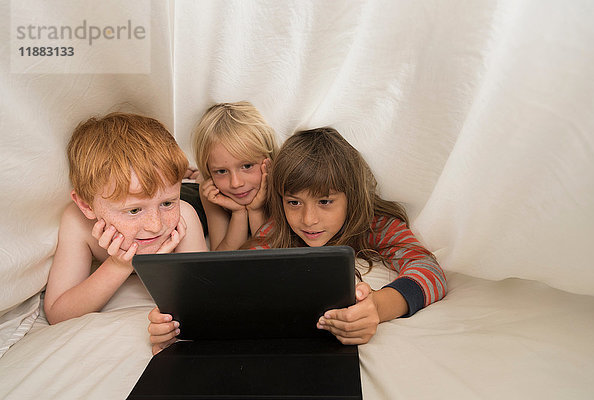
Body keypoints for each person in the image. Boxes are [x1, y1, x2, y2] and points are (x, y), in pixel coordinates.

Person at [148, 126, 446, 352]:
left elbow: (428, 270)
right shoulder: (278, 229)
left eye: (325, 202)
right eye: (294, 203)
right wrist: (175, 324)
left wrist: (378, 307)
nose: (308, 219)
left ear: (351, 198)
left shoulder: (374, 224)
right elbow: (240, 274)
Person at [44, 112, 207, 325]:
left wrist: (161, 266)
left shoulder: (183, 215)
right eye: (133, 211)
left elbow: (201, 298)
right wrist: (119, 265)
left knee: (205, 194)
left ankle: (195, 178)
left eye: (167, 204)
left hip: (190, 197)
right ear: (86, 205)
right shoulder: (77, 223)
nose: (156, 226)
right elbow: (58, 314)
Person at [191, 101, 278, 251]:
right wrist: (239, 213)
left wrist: (255, 210)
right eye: (221, 171)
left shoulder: (280, 182)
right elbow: (221, 258)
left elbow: (269, 253)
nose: (236, 183)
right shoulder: (211, 191)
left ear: (268, 161)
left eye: (247, 166)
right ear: (209, 172)